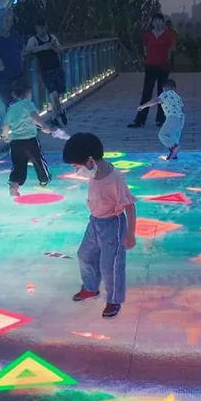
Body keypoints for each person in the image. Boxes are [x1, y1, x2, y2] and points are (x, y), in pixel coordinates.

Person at [62, 132, 137, 319]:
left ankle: (114, 299)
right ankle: (90, 287)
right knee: (84, 255)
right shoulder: (95, 170)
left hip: (112, 225)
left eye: (76, 166)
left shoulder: (115, 179)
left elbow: (130, 206)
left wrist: (130, 234)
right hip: (94, 221)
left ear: (90, 161)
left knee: (110, 265)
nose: (76, 171)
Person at [1, 81, 54, 198]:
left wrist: (5, 136)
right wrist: (43, 125)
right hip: (30, 140)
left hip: (16, 142)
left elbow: (6, 124)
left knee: (18, 164)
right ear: (27, 93)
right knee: (38, 160)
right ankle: (44, 179)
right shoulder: (28, 104)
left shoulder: (12, 108)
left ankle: (14, 185)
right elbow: (34, 116)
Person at [129, 13, 174, 128]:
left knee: (162, 93)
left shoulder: (168, 35)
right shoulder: (148, 35)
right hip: (150, 66)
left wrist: (165, 62)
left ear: (163, 22)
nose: (157, 23)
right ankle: (140, 120)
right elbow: (145, 50)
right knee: (146, 93)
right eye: (155, 20)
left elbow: (169, 52)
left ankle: (161, 119)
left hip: (163, 67)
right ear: (152, 22)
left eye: (160, 20)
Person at [24, 17, 67, 127]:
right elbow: (27, 50)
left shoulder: (52, 38)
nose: (42, 30)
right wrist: (43, 47)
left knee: (58, 94)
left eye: (44, 28)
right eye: (40, 28)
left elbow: (61, 51)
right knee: (53, 94)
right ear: (36, 28)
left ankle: (56, 115)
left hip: (57, 68)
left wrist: (54, 47)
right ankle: (58, 114)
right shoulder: (34, 40)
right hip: (45, 71)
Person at [136, 78, 184, 160]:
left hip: (172, 117)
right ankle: (174, 155)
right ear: (174, 88)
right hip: (181, 119)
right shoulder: (178, 97)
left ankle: (175, 147)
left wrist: (143, 106)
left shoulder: (165, 94)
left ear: (164, 88)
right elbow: (182, 108)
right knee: (173, 137)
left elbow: (155, 101)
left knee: (163, 135)